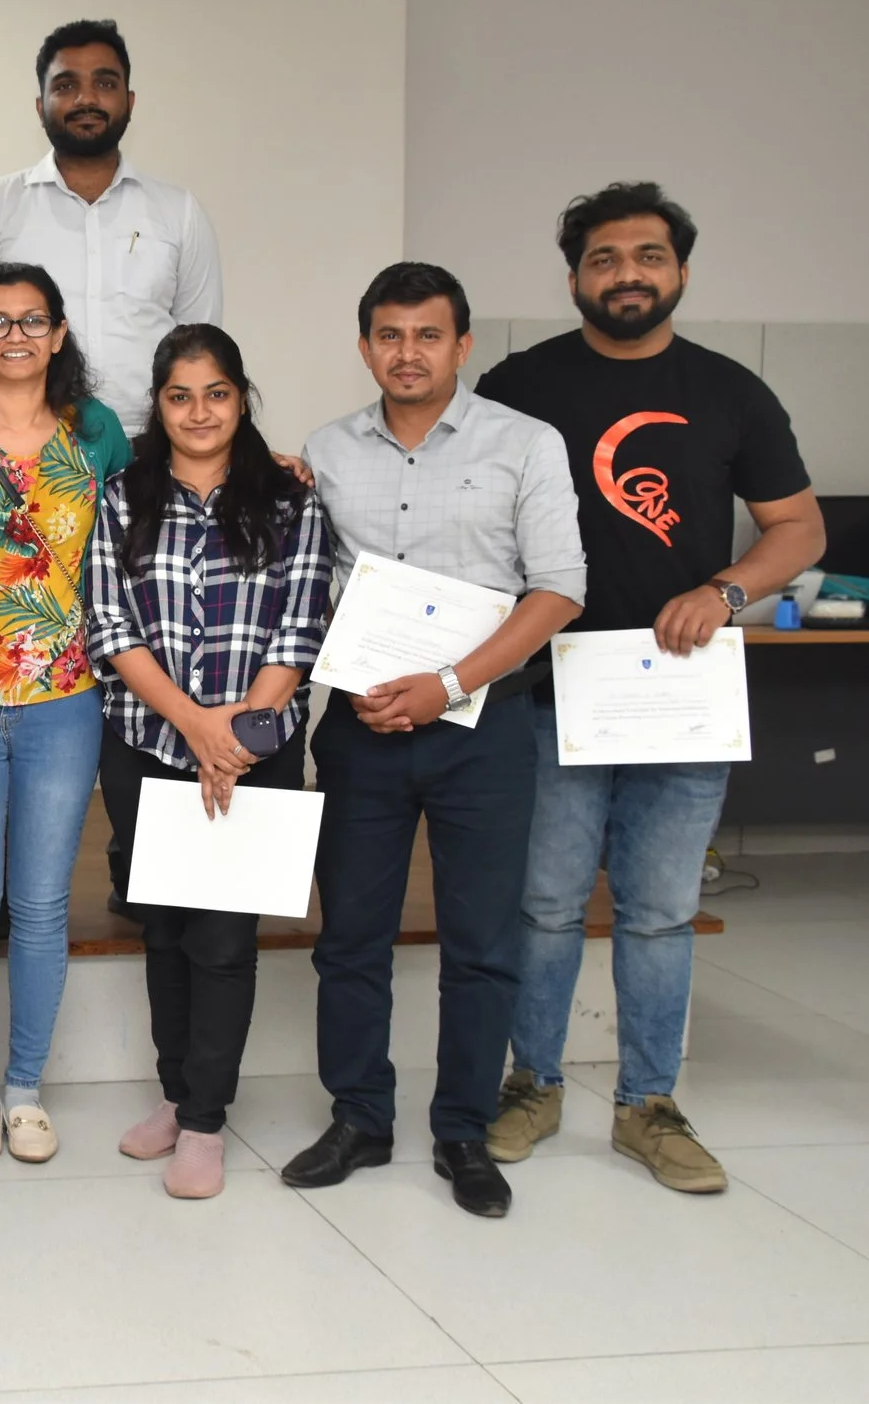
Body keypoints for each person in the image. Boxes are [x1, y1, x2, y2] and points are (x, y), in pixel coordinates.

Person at [478, 183, 824, 1194]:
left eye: (646, 255)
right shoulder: (519, 382)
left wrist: (724, 590)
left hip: (681, 694)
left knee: (661, 910)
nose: (625, 272)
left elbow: (797, 528)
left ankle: (647, 1103)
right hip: (550, 691)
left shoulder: (730, 391)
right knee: (543, 905)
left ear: (677, 268)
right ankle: (531, 1084)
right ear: (575, 274)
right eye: (602, 257)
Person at [283, 262, 587, 1220]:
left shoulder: (527, 444)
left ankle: (462, 1129)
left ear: (463, 344)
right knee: (351, 938)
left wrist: (450, 682)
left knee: (482, 941)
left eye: (427, 335)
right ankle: (361, 1116)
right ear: (365, 342)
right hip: (363, 729)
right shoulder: (325, 450)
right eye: (388, 334)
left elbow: (560, 588)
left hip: (483, 728)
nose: (406, 352)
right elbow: (305, 574)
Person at [88, 325, 332, 1199]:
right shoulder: (123, 496)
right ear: (158, 403)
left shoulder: (290, 499)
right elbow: (112, 627)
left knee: (223, 939)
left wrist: (235, 737)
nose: (200, 412)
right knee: (162, 925)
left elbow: (300, 624)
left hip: (256, 746)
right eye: (180, 395)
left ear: (242, 398)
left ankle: (205, 1122)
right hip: (148, 739)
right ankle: (175, 1092)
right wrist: (194, 725)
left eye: (217, 393)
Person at [0, 262, 131, 1166]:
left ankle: (27, 1089)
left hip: (66, 703)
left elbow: (156, 514)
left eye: (34, 320)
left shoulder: (95, 432)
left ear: (58, 334)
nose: (16, 336)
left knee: (43, 907)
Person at [0, 18, 223, 433]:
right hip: (30, 452)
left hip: (152, 449)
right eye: (66, 86)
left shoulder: (179, 211)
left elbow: (200, 347)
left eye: (105, 83)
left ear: (131, 101)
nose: (86, 98)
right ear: (40, 105)